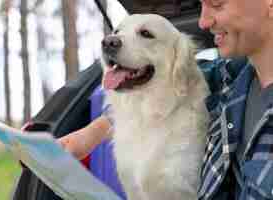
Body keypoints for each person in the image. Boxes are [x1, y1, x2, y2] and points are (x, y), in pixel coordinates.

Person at [59, 0, 273, 199]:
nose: (203, 21)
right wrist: (92, 133)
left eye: (216, 3)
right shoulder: (233, 76)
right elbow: (185, 77)